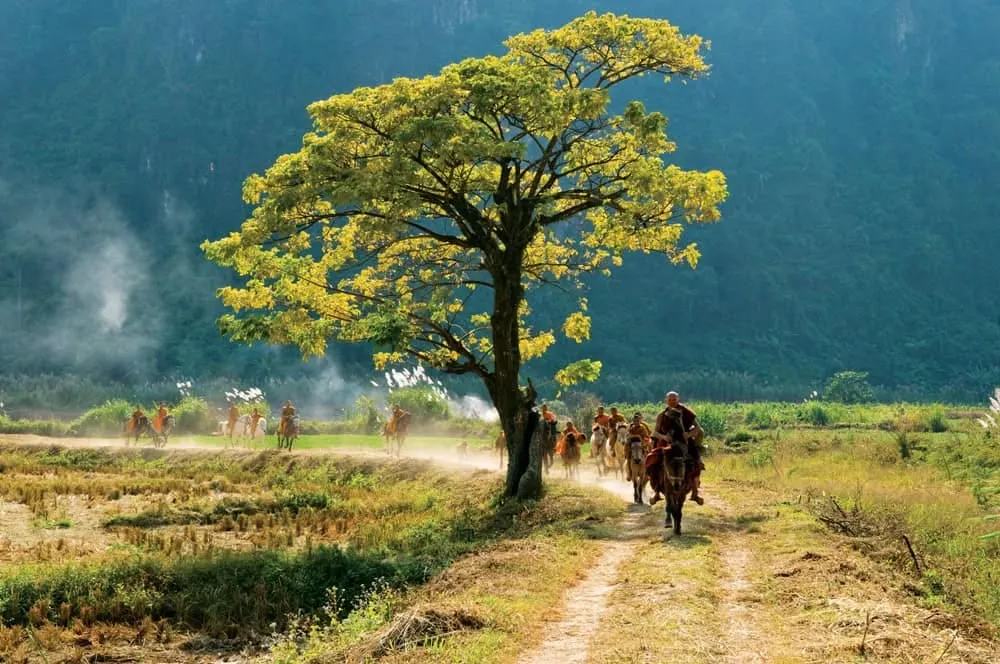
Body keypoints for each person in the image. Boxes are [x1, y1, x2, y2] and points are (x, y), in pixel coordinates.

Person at [651, 392, 704, 505]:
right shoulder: (662, 415)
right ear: (666, 400)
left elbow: (698, 428)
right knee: (653, 461)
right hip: (667, 443)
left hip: (684, 443)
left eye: (674, 399)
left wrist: (688, 434)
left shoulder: (686, 412)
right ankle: (656, 492)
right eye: (670, 399)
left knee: (696, 462)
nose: (672, 401)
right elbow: (655, 432)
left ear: (678, 399)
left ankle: (695, 492)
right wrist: (664, 436)